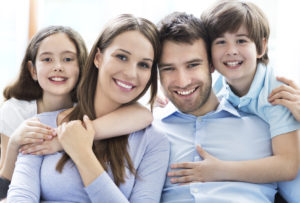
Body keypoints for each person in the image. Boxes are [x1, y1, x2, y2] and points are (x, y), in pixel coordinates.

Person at [7, 14, 169, 202]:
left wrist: (82, 153)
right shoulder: (41, 127)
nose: (131, 73)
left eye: (143, 64)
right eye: (122, 57)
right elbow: (20, 197)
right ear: (98, 58)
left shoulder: (154, 141)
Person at [153, 11, 283, 202]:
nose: (183, 81)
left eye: (193, 65)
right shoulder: (148, 131)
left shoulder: (265, 126)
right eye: (169, 68)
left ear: (212, 65)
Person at [201, 0, 299, 201]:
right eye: (220, 42)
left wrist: (219, 170)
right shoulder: (220, 86)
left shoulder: (276, 90)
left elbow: (288, 166)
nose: (231, 50)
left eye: (241, 40)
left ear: (261, 47)